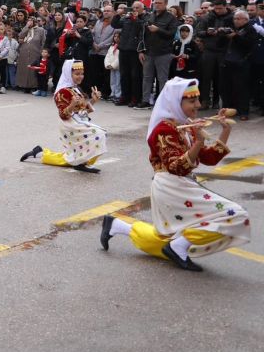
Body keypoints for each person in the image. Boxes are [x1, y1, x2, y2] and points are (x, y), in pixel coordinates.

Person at [99, 79, 250, 271]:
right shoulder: (164, 130)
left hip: (181, 184)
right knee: (235, 215)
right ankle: (178, 247)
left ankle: (117, 225)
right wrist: (198, 142)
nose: (198, 105)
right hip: (171, 186)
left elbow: (209, 158)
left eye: (197, 100)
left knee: (165, 239)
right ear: (175, 103)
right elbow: (175, 167)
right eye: (191, 101)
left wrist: (225, 131)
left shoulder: (186, 126)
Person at [20, 59, 106, 173]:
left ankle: (40, 153)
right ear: (68, 74)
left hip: (77, 123)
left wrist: (94, 100)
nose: (80, 77)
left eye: (82, 74)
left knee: (71, 157)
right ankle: (79, 163)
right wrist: (72, 105)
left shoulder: (75, 89)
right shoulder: (62, 92)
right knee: (98, 135)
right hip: (70, 126)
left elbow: (82, 112)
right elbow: (63, 115)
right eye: (77, 74)